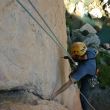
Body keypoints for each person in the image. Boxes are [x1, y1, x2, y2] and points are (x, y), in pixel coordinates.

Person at [51, 42, 98, 110]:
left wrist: (55, 94)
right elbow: (96, 51)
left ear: (79, 56)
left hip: (88, 77)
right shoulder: (89, 51)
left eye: (75, 55)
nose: (73, 55)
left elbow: (69, 83)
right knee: (73, 73)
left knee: (83, 95)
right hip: (89, 66)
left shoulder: (83, 68)